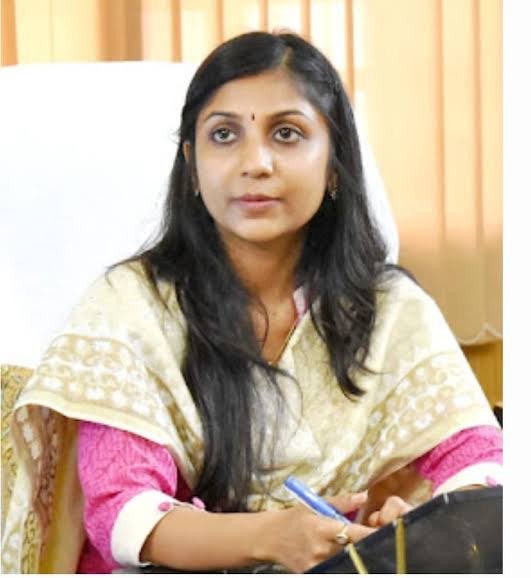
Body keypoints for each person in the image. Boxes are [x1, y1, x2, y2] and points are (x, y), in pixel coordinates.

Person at [2, 31, 502, 574]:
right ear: (192, 165)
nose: (255, 162)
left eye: (286, 133)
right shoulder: (129, 306)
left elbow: (483, 468)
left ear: (334, 164)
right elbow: (122, 514)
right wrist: (274, 537)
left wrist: (422, 527)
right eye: (224, 135)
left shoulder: (390, 309)